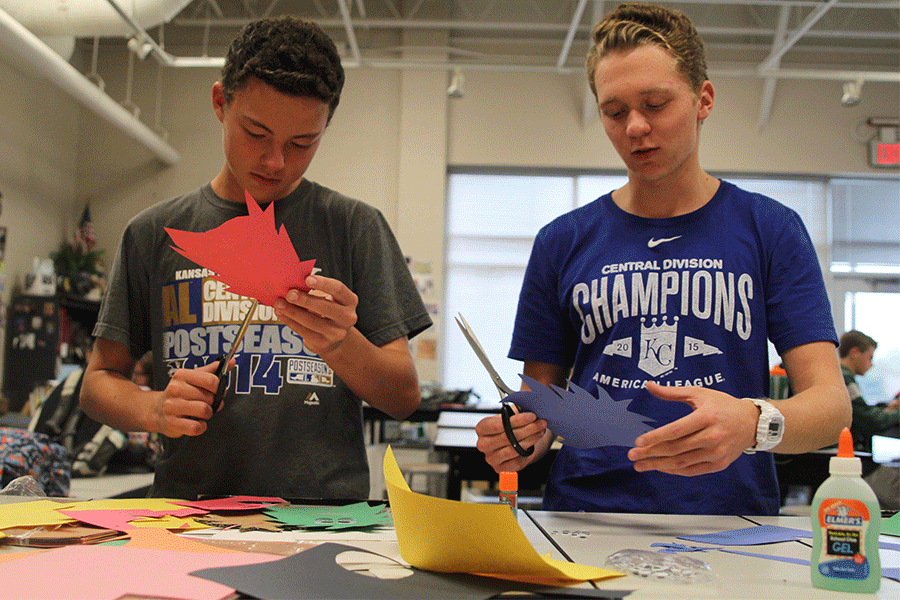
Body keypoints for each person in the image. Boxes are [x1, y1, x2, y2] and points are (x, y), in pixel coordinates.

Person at [474, 3, 850, 515]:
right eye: (614, 111)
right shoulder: (562, 240)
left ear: (704, 99)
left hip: (730, 519)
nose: (634, 127)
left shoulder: (770, 229)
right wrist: (516, 438)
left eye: (655, 103)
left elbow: (831, 406)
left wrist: (752, 422)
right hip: (586, 513)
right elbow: (540, 409)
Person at [80, 16, 432, 500]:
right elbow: (97, 382)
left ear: (325, 127)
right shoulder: (152, 233)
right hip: (191, 514)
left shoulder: (354, 227)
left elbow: (403, 397)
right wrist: (155, 408)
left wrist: (338, 343)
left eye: (301, 144)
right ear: (221, 102)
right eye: (256, 133)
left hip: (321, 520)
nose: (275, 162)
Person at [838, 330, 899, 509]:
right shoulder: (844, 378)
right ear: (855, 352)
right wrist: (896, 414)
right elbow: (869, 421)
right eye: (870, 357)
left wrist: (886, 410)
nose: (871, 364)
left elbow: (860, 410)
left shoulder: (841, 376)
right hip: (856, 462)